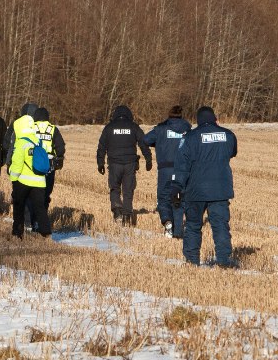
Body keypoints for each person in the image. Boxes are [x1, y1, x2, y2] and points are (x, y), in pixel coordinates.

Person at [170, 106, 238, 267]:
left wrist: (176, 187)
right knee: (220, 226)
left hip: (195, 191)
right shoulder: (228, 135)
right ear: (215, 119)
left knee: (193, 226)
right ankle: (224, 261)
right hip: (220, 190)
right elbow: (232, 152)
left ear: (198, 121)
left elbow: (181, 166)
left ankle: (192, 261)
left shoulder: (190, 138)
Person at [97, 105, 151, 225]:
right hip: (130, 164)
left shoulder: (109, 127)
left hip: (114, 164)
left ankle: (117, 211)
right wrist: (148, 159)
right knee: (128, 190)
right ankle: (127, 216)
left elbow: (101, 147)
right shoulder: (134, 127)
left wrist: (100, 163)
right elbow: (143, 143)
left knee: (114, 188)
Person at [144, 105, 191, 238]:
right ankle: (178, 231)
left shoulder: (160, 128)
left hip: (165, 170)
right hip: (182, 170)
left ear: (169, 115)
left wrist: (158, 142)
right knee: (179, 199)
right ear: (181, 115)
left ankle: (167, 221)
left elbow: (146, 140)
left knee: (164, 198)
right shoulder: (187, 129)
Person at [8, 115, 52, 239]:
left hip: (23, 181)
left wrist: (13, 178)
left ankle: (17, 232)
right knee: (40, 208)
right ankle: (46, 232)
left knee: (19, 206)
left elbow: (17, 163)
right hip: (39, 181)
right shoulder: (38, 141)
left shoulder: (21, 142)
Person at [24, 107, 65, 231]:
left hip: (33, 165)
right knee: (45, 195)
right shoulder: (53, 129)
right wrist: (59, 159)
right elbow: (61, 148)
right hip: (48, 166)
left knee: (30, 194)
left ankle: (28, 222)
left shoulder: (31, 128)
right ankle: (39, 222)